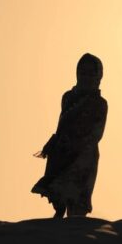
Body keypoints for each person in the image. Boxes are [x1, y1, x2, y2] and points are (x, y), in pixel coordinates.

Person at [32, 53, 108, 218]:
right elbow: (62, 124)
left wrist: (78, 145)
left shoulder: (100, 103)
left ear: (98, 77)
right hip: (62, 150)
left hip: (85, 154)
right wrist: (56, 145)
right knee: (58, 195)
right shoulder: (68, 97)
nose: (85, 77)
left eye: (90, 73)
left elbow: (97, 133)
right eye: (82, 72)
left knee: (78, 204)